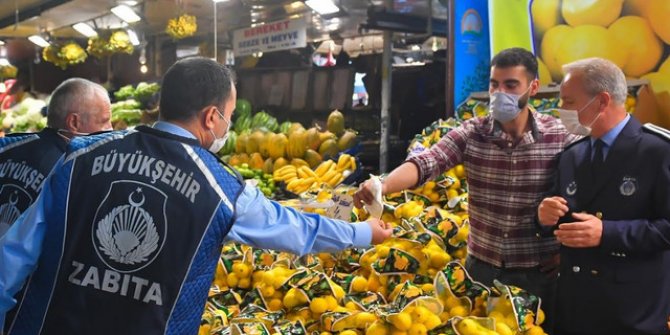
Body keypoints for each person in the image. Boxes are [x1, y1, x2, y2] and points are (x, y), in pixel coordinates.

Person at [0, 57, 392, 335]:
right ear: (210, 117)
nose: (228, 125)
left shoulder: (79, 158)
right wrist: (362, 233)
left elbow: (13, 256)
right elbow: (292, 229)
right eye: (229, 115)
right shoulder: (220, 187)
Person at [354, 47, 578, 331]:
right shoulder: (473, 132)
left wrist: (568, 253)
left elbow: (583, 196)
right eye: (494, 84)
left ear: (533, 87)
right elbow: (427, 162)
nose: (500, 93)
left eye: (511, 85)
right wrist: (382, 185)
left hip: (536, 273)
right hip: (480, 270)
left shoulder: (560, 137)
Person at [538, 57, 670, 335]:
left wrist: (607, 233)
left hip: (631, 311)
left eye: (569, 102)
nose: (561, 110)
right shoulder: (572, 156)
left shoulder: (657, 152)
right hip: (575, 306)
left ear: (601, 101)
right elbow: (559, 216)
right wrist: (543, 216)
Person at [0, 77, 112, 237]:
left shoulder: (8, 147)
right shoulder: (71, 171)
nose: (111, 129)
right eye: (104, 121)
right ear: (74, 122)